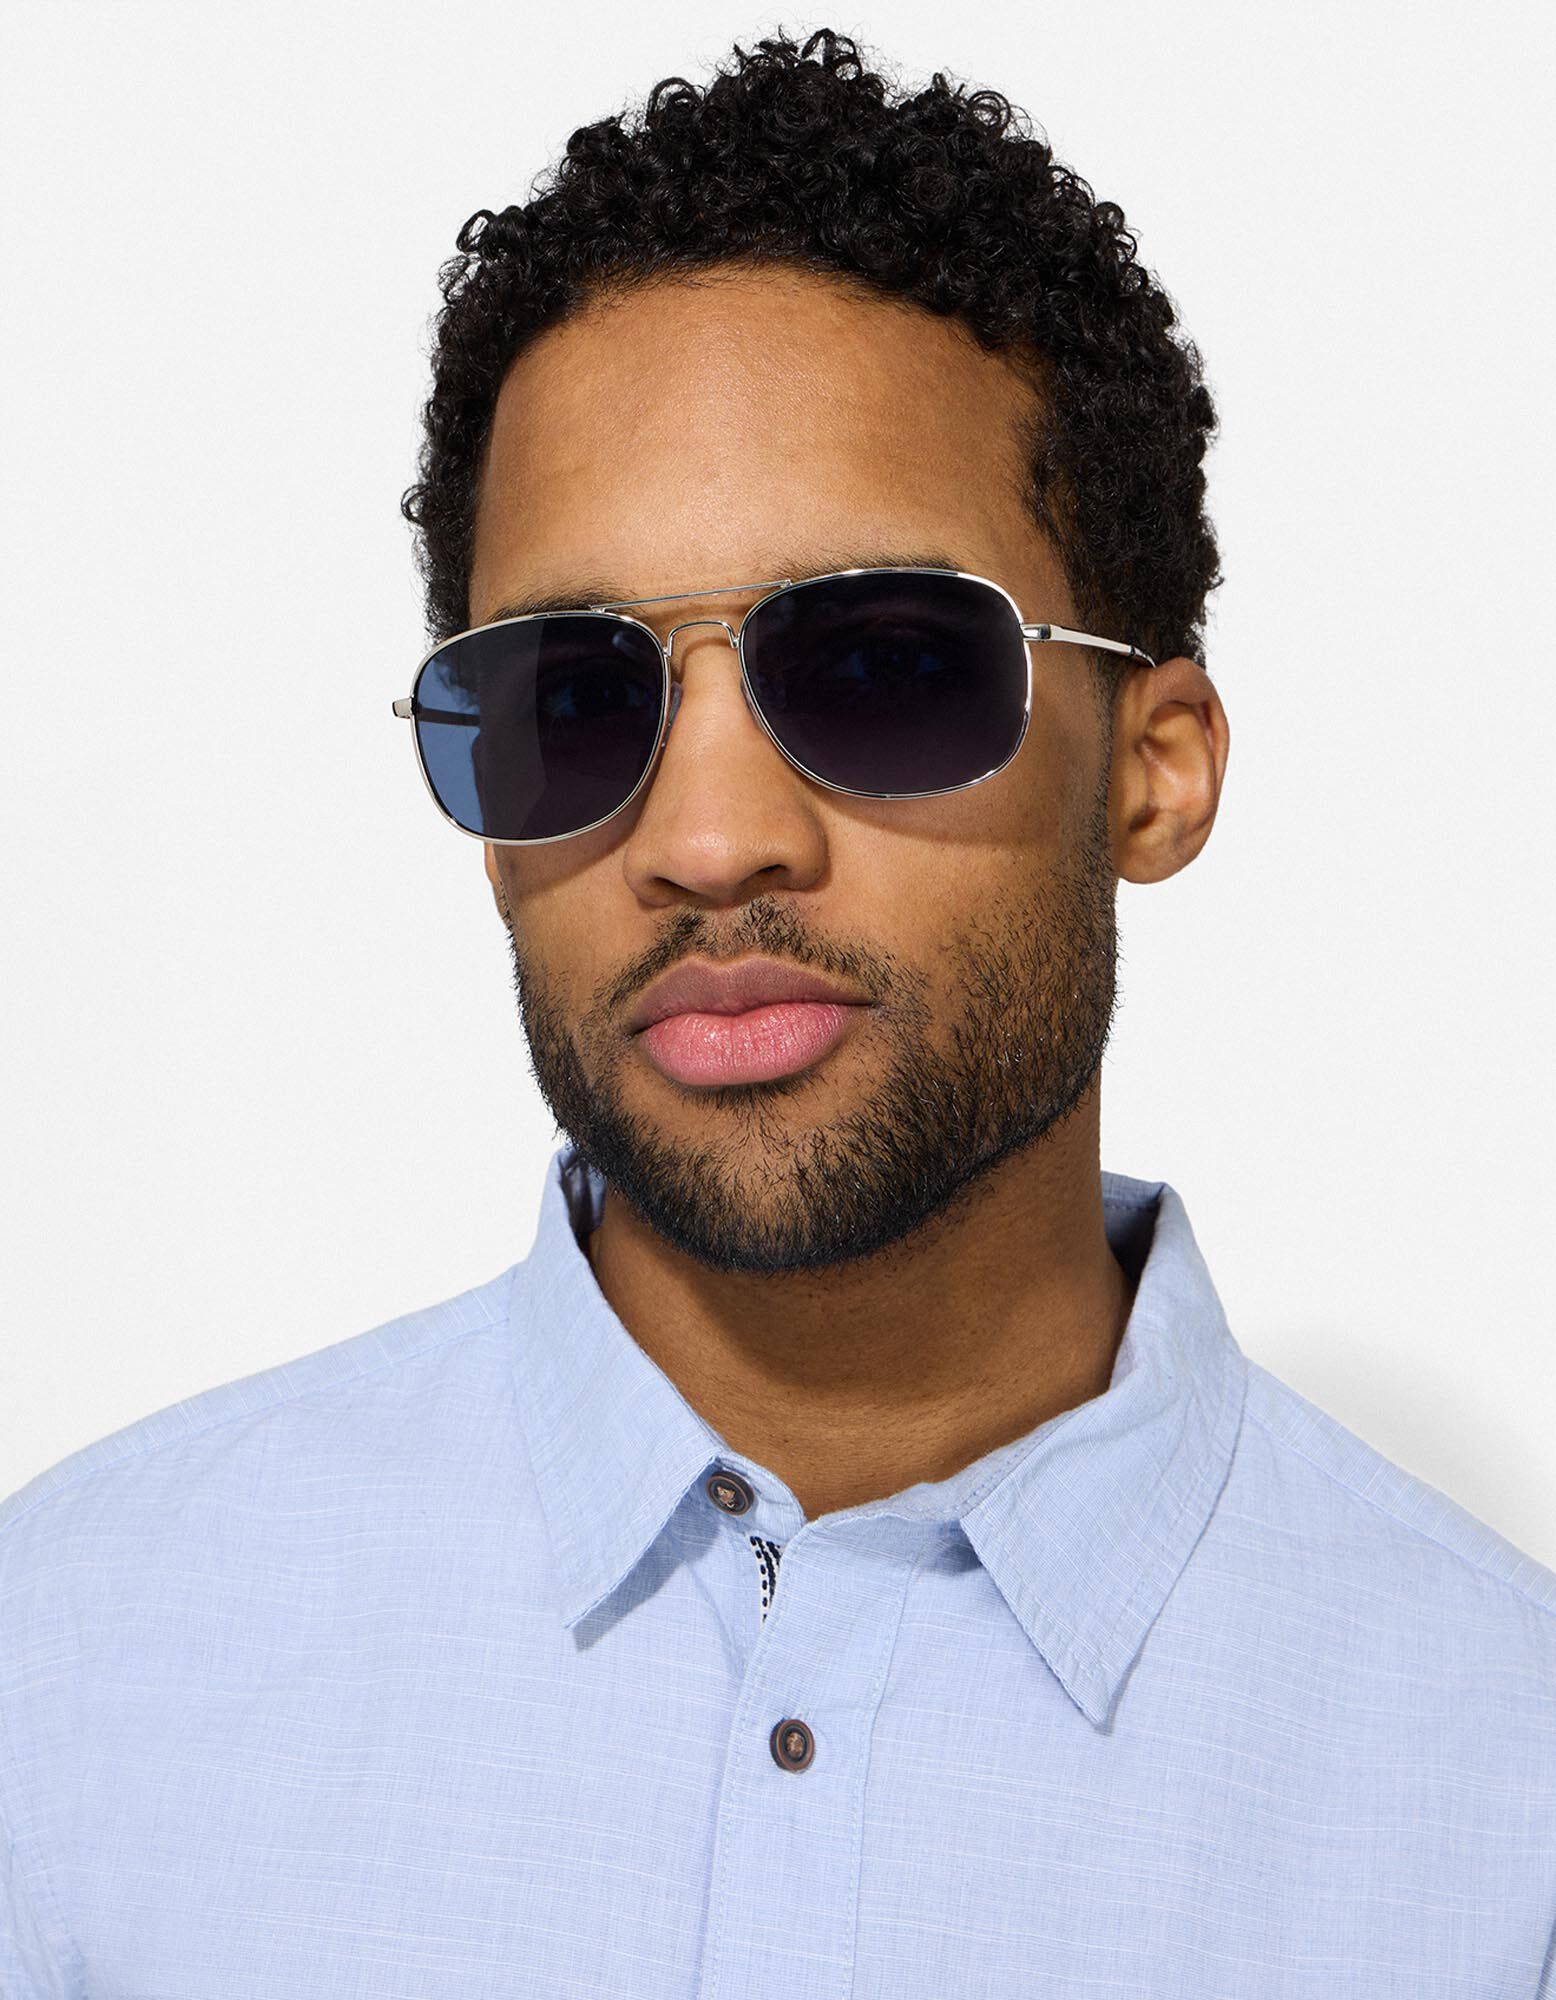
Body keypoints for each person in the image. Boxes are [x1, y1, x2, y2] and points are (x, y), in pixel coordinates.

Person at [2, 27, 1552, 1996]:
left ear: (1153, 770)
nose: (708, 840)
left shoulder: (1507, 1811)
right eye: (577, 701)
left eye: (888, 665)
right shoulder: (65, 1682)